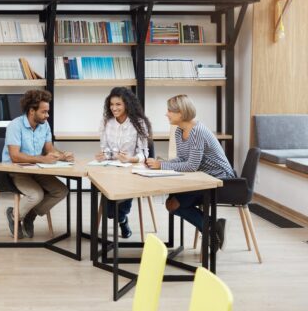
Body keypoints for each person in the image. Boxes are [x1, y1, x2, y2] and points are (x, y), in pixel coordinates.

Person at [145, 94, 234, 248]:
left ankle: (211, 229)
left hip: (221, 180)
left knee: (174, 204)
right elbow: (182, 159)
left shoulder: (197, 131)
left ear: (181, 113)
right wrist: (161, 164)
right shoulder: (179, 131)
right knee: (171, 203)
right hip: (203, 177)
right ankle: (214, 228)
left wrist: (162, 166)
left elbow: (191, 166)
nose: (166, 114)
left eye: (170, 111)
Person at [2, 89, 74, 239]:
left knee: (61, 191)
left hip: (37, 169)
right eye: (44, 112)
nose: (47, 115)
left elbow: (49, 149)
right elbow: (15, 156)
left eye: (48, 112)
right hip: (17, 171)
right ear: (31, 111)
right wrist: (42, 159)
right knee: (36, 195)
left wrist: (62, 156)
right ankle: (14, 215)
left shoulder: (44, 125)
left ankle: (29, 215)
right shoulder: (15, 126)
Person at [96, 87, 152, 238]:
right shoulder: (106, 122)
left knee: (118, 206)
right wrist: (104, 155)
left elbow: (144, 155)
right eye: (112, 104)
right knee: (109, 213)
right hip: (110, 168)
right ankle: (121, 218)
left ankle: (122, 219)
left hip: (131, 169)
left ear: (127, 104)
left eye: (118, 104)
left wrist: (130, 159)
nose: (114, 108)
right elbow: (105, 149)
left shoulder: (139, 123)